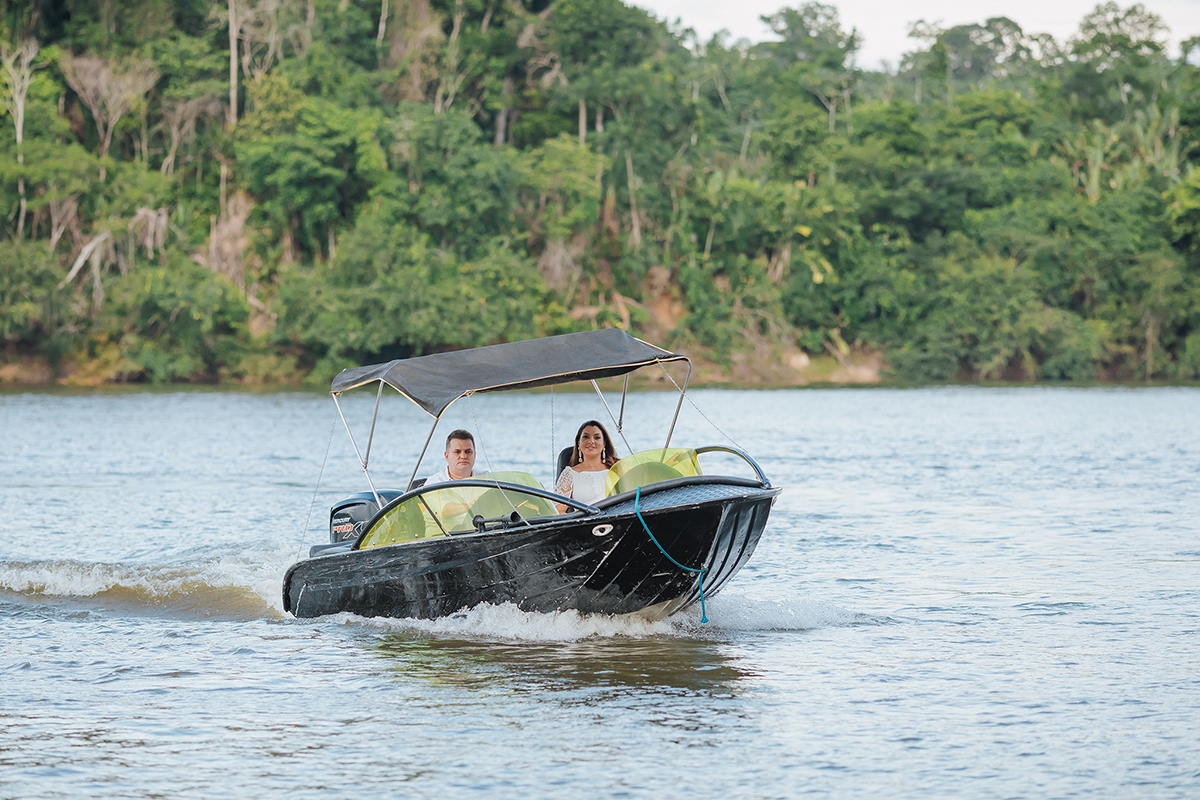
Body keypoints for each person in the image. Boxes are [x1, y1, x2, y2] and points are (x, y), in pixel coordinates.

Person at [554, 420, 619, 512]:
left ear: (604, 444)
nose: (591, 441)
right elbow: (558, 511)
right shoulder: (570, 474)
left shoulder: (616, 469)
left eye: (597, 437)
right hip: (586, 520)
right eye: (586, 437)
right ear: (578, 443)